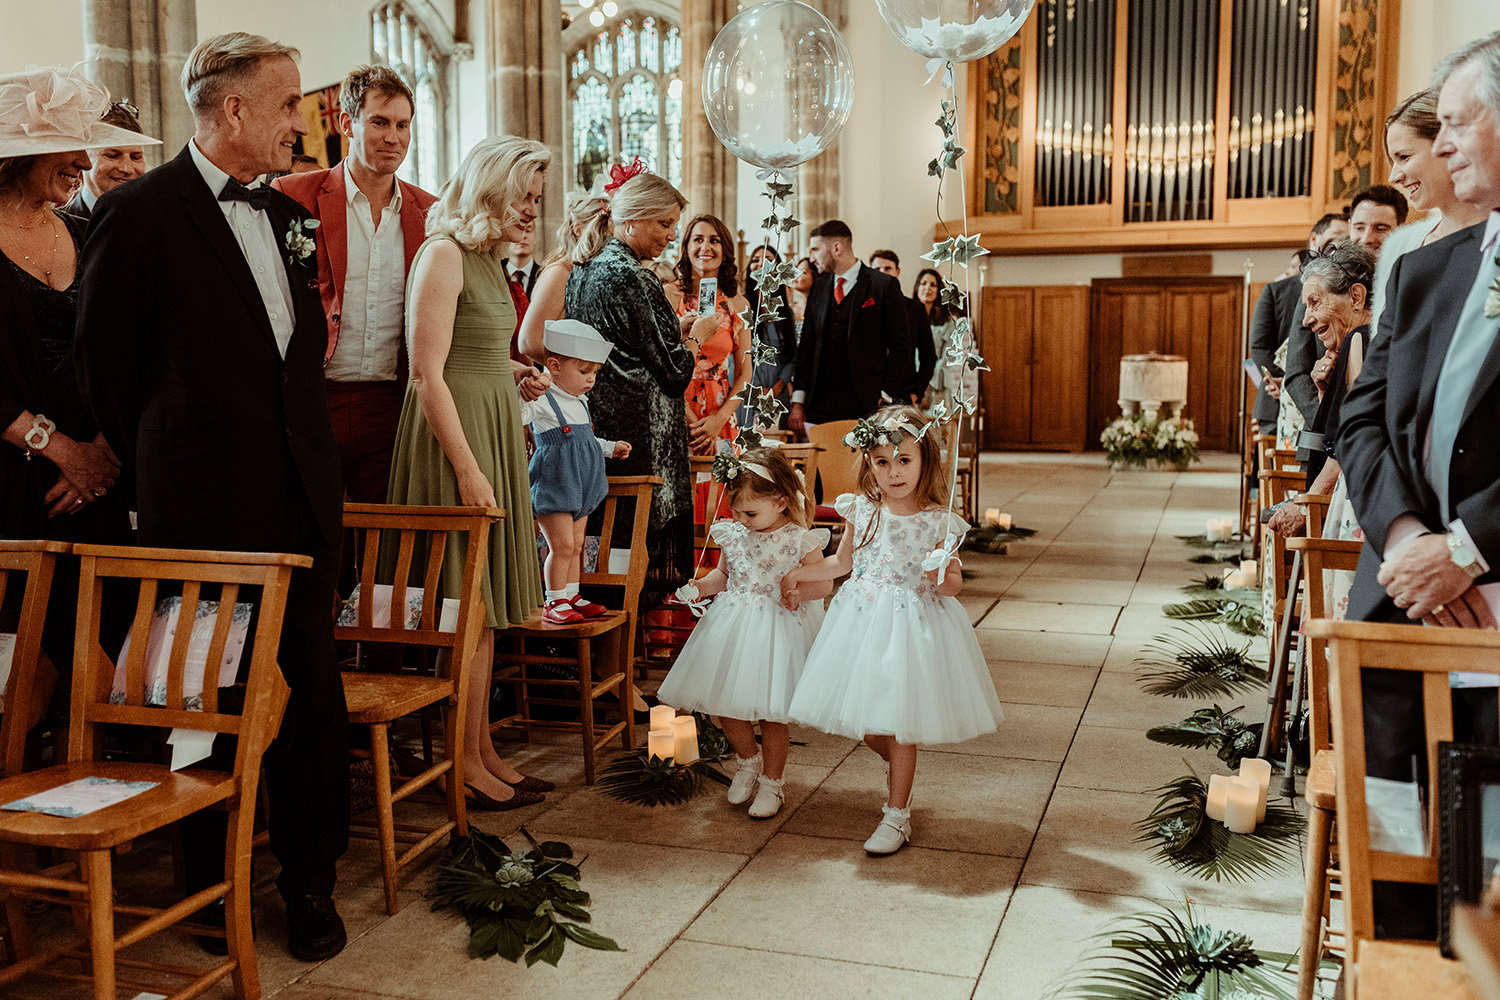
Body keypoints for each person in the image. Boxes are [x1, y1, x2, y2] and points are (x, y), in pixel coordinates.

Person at [75, 33, 350, 961]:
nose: (298, 124)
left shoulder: (283, 216)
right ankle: (206, 885)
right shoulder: (140, 215)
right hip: (201, 510)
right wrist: (174, 463)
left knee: (314, 700)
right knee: (206, 704)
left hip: (300, 504)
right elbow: (105, 368)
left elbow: (292, 361)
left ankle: (310, 883)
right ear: (232, 109)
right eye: (286, 105)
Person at [1336, 30, 1500, 940]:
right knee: (1394, 857)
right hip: (1398, 612)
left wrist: (1466, 550)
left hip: (1489, 618)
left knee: (1483, 884)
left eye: (1459, 123)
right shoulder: (1430, 269)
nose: (1439, 148)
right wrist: (1405, 544)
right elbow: (1361, 419)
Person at [385, 134, 553, 810]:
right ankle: (460, 763)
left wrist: (511, 373)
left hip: (489, 430)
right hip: (454, 445)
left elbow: (469, 353)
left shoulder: (487, 262)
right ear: (491, 185)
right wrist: (467, 469)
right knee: (466, 607)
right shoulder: (444, 254)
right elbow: (426, 375)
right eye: (526, 196)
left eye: (538, 202)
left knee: (483, 616)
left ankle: (481, 750)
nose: (533, 213)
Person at [783, 405, 1002, 855]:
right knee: (866, 724)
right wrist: (794, 575)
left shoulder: (938, 521)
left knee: (901, 723)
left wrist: (943, 574)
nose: (894, 471)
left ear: (925, 460)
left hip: (911, 625)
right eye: (882, 461)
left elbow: (953, 584)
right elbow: (841, 562)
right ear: (869, 463)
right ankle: (899, 767)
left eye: (904, 460)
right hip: (861, 622)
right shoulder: (862, 510)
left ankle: (897, 813)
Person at [271, 65, 439, 510]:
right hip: (315, 395)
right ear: (347, 123)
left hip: (391, 402)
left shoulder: (430, 213)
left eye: (403, 125)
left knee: (384, 543)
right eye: (379, 122)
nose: (394, 137)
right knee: (313, 534)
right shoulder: (292, 194)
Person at [564, 163, 716, 606]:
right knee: (631, 558)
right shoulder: (634, 275)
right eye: (666, 224)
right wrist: (695, 336)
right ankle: (624, 657)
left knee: (601, 553)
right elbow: (673, 370)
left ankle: (610, 650)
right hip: (641, 439)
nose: (672, 236)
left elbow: (629, 346)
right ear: (632, 219)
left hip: (600, 427)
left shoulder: (586, 267)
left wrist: (676, 329)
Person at [657, 447, 830, 819]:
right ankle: (747, 760)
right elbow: (723, 576)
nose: (741, 519)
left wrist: (801, 591)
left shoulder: (799, 539)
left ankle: (773, 782)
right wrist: (699, 588)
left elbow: (823, 584)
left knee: (772, 714)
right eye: (735, 511)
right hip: (733, 624)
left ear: (782, 501)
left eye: (749, 512)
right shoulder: (733, 534)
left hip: (778, 631)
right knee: (725, 705)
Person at [1266, 242, 1376, 542]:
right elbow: (1345, 427)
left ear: (1356, 296)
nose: (1306, 319)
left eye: (1315, 302)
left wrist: (1305, 508)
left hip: (1354, 505)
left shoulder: (1361, 340)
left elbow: (1352, 442)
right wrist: (1325, 393)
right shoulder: (1357, 343)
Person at [522, 319, 630, 623]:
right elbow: (517, 414)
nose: (591, 379)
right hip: (555, 484)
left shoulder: (580, 402)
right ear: (554, 366)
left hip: (582, 485)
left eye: (594, 372)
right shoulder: (544, 399)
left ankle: (571, 594)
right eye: (584, 371)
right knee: (562, 545)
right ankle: (554, 600)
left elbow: (584, 440)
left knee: (578, 545)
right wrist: (526, 390)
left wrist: (609, 447)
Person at [1284, 187, 1406, 433]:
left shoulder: (1408, 281)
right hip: (1326, 434)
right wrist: (1333, 423)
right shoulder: (1323, 280)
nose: (1367, 237)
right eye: (1359, 227)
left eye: (1381, 229)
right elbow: (1297, 370)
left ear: (1401, 230)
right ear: (1350, 226)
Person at [1373, 88, 1492, 327]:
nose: (1394, 176)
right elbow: (1382, 343)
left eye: (1404, 157)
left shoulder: (1493, 237)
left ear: (1448, 147)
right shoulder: (1400, 244)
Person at [788, 221, 914, 436]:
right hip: (819, 405)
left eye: (816, 250)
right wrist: (798, 401)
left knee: (862, 469)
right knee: (822, 469)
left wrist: (884, 394)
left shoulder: (882, 285)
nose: (812, 258)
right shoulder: (818, 288)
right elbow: (807, 348)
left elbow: (902, 347)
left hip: (866, 404)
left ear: (836, 248)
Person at [1251, 212, 1348, 433]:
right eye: (1338, 235)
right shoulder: (1277, 290)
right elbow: (1259, 346)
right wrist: (1282, 380)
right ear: (1316, 239)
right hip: (1276, 402)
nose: (1345, 242)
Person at [676, 213, 750, 454]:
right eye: (697, 239)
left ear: (725, 250)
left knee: (720, 488)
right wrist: (693, 422)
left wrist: (719, 420)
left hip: (721, 412)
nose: (705, 247)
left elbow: (745, 373)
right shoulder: (669, 295)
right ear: (686, 247)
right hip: (678, 408)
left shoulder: (738, 304)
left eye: (714, 240)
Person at [516, 187, 611, 363]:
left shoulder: (586, 273)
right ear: (578, 230)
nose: (610, 243)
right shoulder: (560, 273)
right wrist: (571, 370)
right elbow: (529, 342)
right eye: (604, 233)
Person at [739, 244, 797, 429]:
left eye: (769, 259)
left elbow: (792, 355)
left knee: (776, 445)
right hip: (748, 385)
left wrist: (778, 386)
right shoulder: (743, 308)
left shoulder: (788, 314)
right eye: (755, 260)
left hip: (778, 389)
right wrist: (758, 389)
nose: (761, 263)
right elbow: (740, 354)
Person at [59, 101, 148, 221]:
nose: (127, 168)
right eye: (112, 155)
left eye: (135, 157)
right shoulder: (60, 224)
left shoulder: (156, 218)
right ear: (85, 155)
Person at [869, 249, 936, 404]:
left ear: (897, 271)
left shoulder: (915, 309)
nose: (882, 273)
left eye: (887, 268)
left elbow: (928, 355)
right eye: (877, 269)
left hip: (902, 393)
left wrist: (916, 392)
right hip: (868, 392)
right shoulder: (861, 306)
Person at [913, 266, 974, 414]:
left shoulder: (947, 320)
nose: (927, 288)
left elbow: (949, 354)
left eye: (933, 285)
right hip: (911, 383)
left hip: (936, 383)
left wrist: (927, 380)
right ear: (917, 287)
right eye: (923, 283)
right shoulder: (907, 316)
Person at [508, 225, 539, 298]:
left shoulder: (545, 275)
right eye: (517, 229)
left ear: (534, 237)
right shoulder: (495, 274)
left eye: (528, 231)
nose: (523, 236)